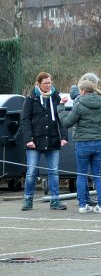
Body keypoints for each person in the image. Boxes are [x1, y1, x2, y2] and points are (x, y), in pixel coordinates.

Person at [58, 79, 101, 214]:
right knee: (97, 175)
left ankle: (82, 205)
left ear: (82, 91)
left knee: (81, 174)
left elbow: (67, 123)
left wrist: (60, 108)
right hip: (98, 143)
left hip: (82, 143)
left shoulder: (79, 104)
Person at [20, 72, 68, 211]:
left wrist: (64, 137)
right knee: (31, 171)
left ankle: (55, 201)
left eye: (50, 83)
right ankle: (28, 200)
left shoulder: (56, 97)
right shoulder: (30, 99)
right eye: (45, 83)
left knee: (53, 171)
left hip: (52, 140)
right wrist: (28, 139)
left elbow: (61, 118)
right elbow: (25, 120)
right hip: (34, 142)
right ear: (38, 84)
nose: (48, 85)